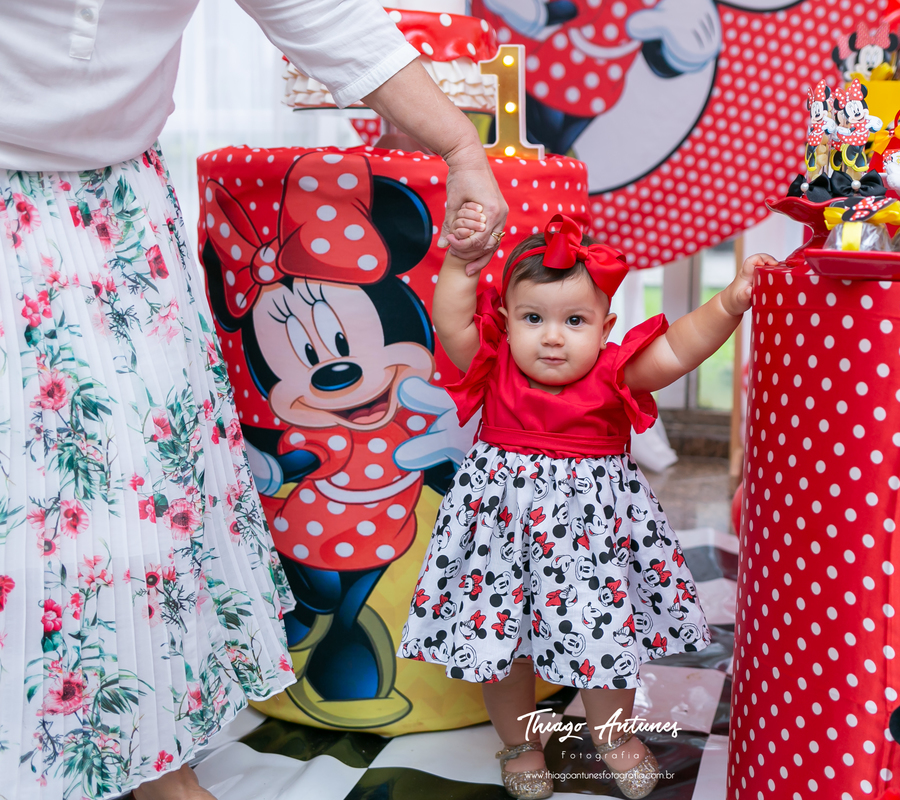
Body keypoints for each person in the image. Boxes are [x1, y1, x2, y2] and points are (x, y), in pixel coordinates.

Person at [0, 3, 508, 799]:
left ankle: (148, 756)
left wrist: (460, 145)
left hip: (112, 204)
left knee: (142, 500)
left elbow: (318, 11)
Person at [399, 205, 775, 799]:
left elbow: (678, 349)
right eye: (533, 318)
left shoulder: (614, 373)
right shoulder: (493, 364)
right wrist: (462, 259)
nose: (552, 336)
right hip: (502, 539)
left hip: (590, 541)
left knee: (603, 641)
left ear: (605, 327)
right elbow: (448, 317)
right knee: (504, 645)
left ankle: (615, 737)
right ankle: (520, 744)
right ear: (506, 317)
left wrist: (730, 301)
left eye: (575, 320)